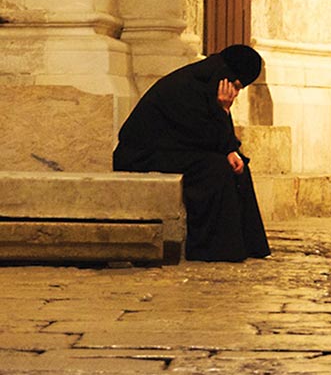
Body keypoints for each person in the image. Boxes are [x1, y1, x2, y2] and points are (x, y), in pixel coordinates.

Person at [113, 45, 271, 263]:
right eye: (234, 86)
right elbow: (203, 136)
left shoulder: (208, 86)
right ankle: (212, 249)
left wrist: (230, 149)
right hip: (143, 155)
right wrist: (223, 112)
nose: (234, 93)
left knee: (238, 166)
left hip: (175, 149)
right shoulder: (186, 87)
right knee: (215, 169)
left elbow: (211, 137)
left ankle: (249, 245)